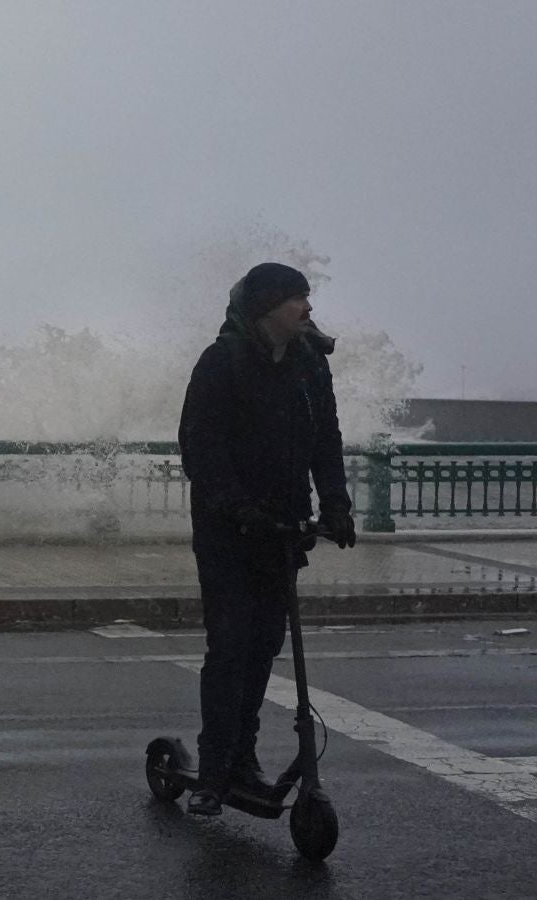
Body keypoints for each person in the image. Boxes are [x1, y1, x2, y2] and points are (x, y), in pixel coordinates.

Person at [177, 262, 357, 817]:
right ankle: (212, 772)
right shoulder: (222, 361)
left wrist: (335, 505)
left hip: (282, 530)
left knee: (262, 648)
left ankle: (242, 758)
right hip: (228, 532)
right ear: (265, 309)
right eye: (296, 299)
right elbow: (200, 447)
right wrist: (238, 509)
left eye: (307, 297)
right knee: (230, 646)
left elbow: (326, 438)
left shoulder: (309, 367)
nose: (306, 308)